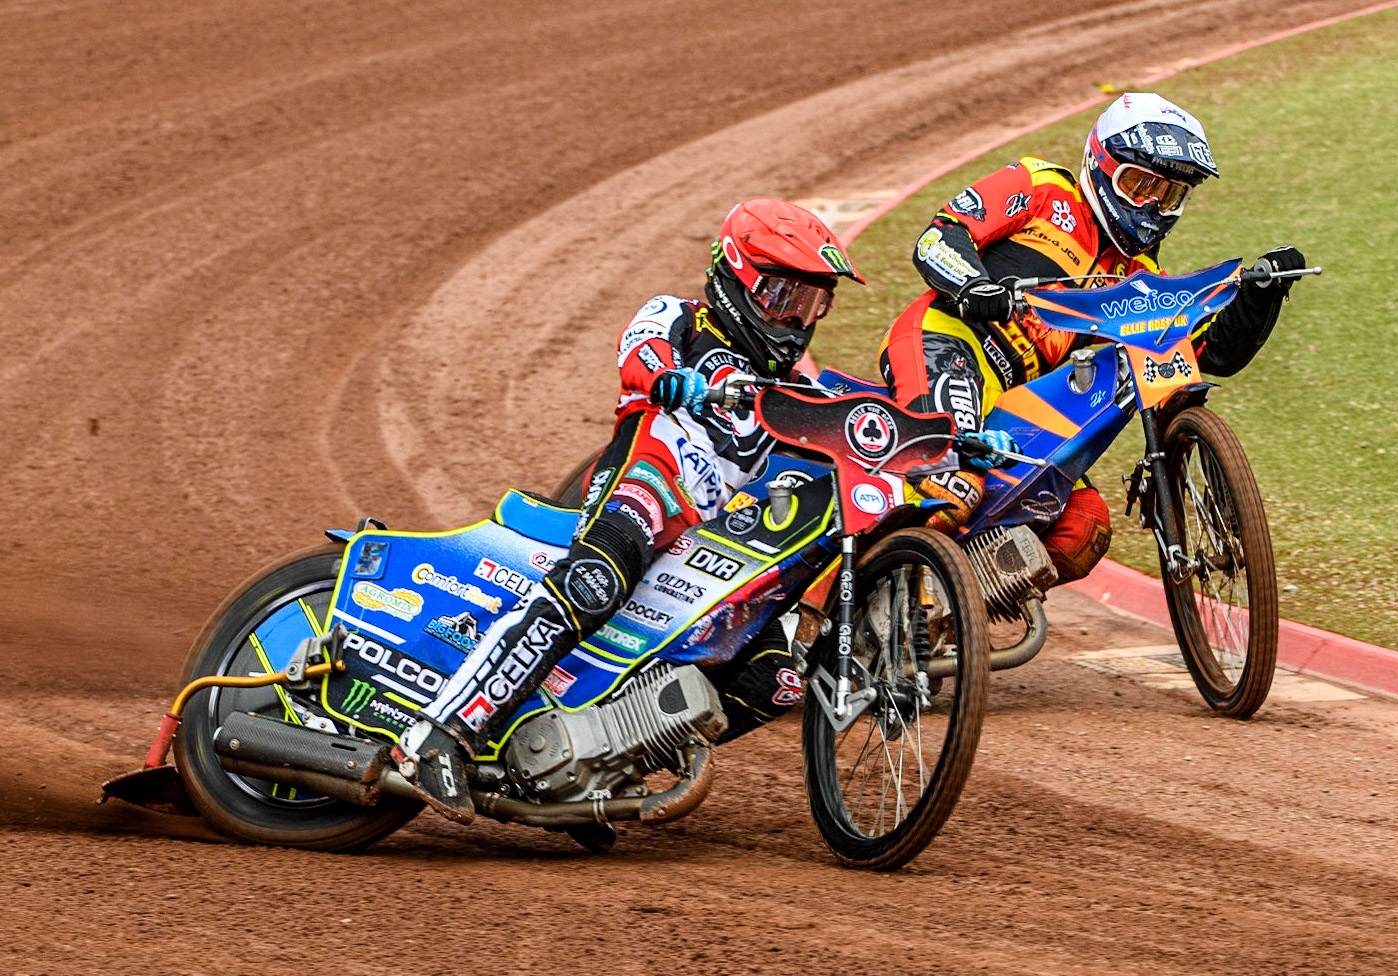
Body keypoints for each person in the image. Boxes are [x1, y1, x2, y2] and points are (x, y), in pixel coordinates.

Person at [392, 198, 865, 822]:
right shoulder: (680, 319)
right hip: (645, 484)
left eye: (812, 303)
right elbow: (638, 351)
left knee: (777, 678)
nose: (796, 318)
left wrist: (951, 436)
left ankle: (596, 768)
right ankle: (440, 735)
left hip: (707, 548)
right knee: (595, 583)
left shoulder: (795, 389)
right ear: (737, 276)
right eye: (783, 297)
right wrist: (676, 380)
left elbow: (861, 412)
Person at [881, 91, 1307, 582]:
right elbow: (939, 236)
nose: (1152, 205)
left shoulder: (1141, 274)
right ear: (1101, 165)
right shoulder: (1040, 186)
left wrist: (1261, 294)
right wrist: (976, 287)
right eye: (1139, 184)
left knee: (1085, 528)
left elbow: (1209, 351)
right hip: (948, 343)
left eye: (1168, 194)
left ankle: (953, 608)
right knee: (954, 483)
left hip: (1020, 399)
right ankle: (860, 590)